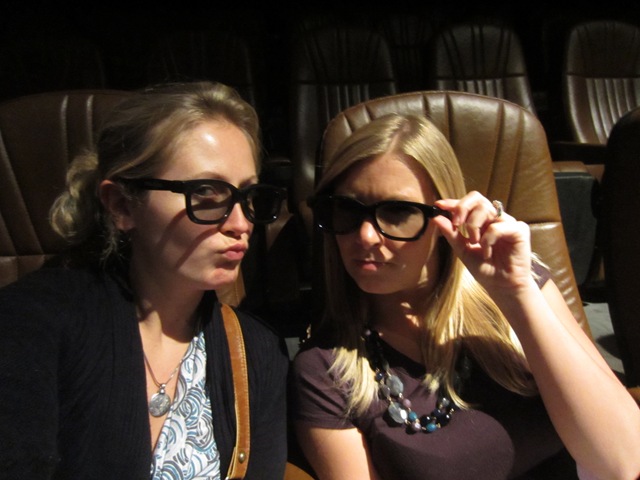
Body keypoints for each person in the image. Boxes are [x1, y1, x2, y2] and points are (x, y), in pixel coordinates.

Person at [289, 113, 640, 480]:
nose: (364, 236)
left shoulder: (522, 286)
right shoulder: (326, 371)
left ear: (446, 217)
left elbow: (622, 460)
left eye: (397, 212)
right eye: (347, 209)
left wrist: (516, 295)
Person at [0, 81, 289, 479]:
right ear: (122, 205)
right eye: (206, 192)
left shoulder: (258, 351)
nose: (241, 224)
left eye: (246, 195)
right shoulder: (30, 324)